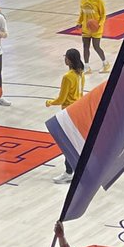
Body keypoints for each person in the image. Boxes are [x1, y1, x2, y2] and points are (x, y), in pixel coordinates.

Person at [48, 49, 85, 184]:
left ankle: (69, 172)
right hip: (78, 109)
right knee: (74, 142)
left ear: (69, 60)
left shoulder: (67, 76)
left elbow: (62, 98)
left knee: (66, 143)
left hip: (68, 112)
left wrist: (50, 102)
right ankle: (76, 169)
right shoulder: (81, 73)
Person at [77, 0, 110, 73]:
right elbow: (82, 13)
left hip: (96, 28)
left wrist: (99, 25)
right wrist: (79, 22)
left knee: (96, 46)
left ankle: (105, 64)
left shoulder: (98, 0)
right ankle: (87, 67)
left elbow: (103, 15)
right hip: (86, 27)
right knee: (85, 47)